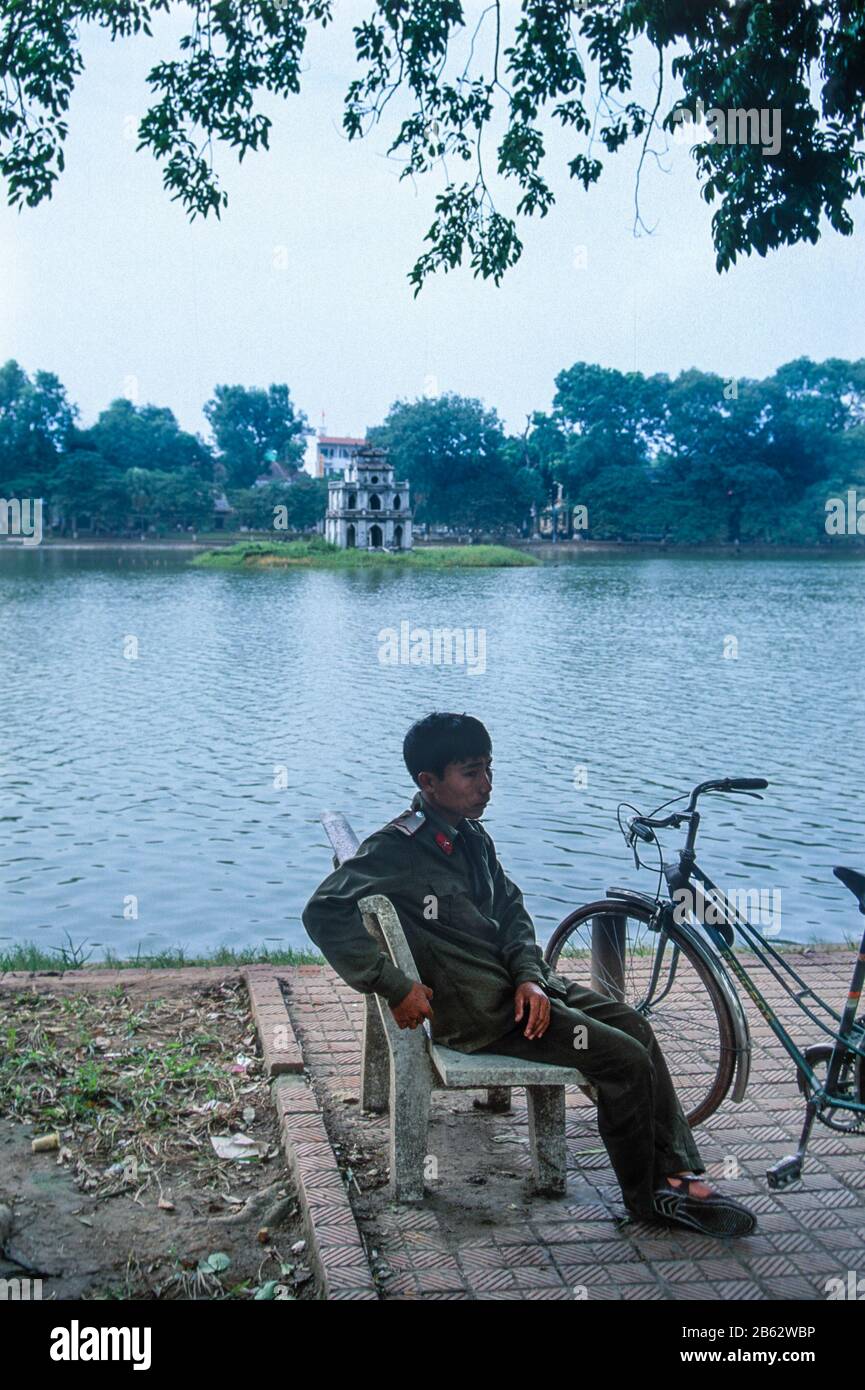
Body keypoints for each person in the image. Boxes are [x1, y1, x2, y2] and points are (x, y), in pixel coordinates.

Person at [301, 711, 756, 1237]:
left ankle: (676, 1173)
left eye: (489, 770)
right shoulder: (397, 849)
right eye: (471, 774)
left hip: (520, 992)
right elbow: (322, 911)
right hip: (482, 1015)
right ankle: (648, 1198)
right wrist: (393, 984)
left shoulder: (471, 837)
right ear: (428, 782)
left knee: (636, 1026)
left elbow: (512, 913)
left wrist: (530, 976)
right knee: (624, 1060)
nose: (486, 786)